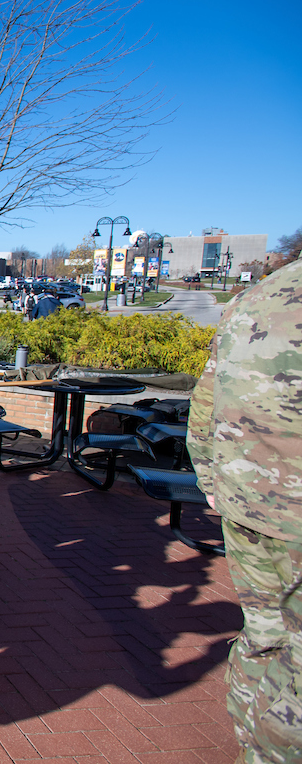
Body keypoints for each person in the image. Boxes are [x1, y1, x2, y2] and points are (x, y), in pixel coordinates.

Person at [186, 260, 302, 764]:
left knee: (264, 635)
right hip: (286, 513)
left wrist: (212, 477)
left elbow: (207, 395)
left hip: (246, 497)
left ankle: (253, 749)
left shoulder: (258, 294)